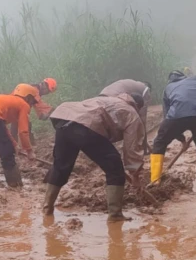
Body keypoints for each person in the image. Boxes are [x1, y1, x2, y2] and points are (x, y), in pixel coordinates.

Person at [42, 93, 145, 222]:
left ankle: (47, 209)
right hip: (86, 126)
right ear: (137, 106)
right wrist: (135, 174)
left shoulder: (106, 99)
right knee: (115, 168)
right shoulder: (131, 113)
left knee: (60, 167)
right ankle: (115, 215)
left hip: (64, 120)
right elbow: (132, 146)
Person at [150, 70, 196, 193]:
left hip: (176, 117)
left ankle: (155, 181)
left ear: (170, 80)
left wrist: (180, 138)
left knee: (159, 143)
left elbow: (167, 116)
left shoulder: (168, 88)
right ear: (184, 77)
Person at [100, 79, 152, 155]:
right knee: (131, 125)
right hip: (114, 100)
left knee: (107, 128)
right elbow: (142, 120)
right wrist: (145, 148)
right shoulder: (146, 90)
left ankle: (107, 153)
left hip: (101, 97)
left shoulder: (130, 84)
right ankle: (131, 157)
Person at [10, 78, 58, 145]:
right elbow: (39, 105)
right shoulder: (34, 90)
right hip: (14, 107)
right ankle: (28, 146)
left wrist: (42, 114)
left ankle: (15, 146)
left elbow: (37, 105)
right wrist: (52, 110)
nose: (46, 93)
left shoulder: (33, 88)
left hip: (14, 106)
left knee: (17, 126)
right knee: (24, 126)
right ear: (45, 86)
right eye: (48, 91)